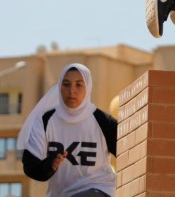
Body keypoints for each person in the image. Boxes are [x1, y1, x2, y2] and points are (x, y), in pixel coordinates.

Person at [17, 63, 117, 197]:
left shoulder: (104, 122)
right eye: (66, 84)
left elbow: (131, 152)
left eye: (79, 85)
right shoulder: (45, 121)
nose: (72, 91)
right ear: (59, 87)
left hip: (99, 189)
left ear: (88, 87)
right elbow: (30, 167)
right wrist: (50, 165)